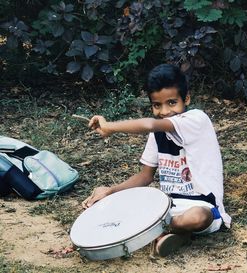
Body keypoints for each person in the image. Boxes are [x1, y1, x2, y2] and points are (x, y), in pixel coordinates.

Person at [82, 63, 231, 257]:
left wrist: (110, 126)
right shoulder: (157, 134)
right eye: (156, 105)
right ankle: (174, 233)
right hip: (165, 206)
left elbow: (150, 124)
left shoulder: (197, 119)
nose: (164, 111)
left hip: (203, 206)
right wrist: (110, 191)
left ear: (186, 99)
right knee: (118, 207)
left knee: (197, 217)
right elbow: (145, 176)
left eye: (171, 103)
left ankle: (171, 229)